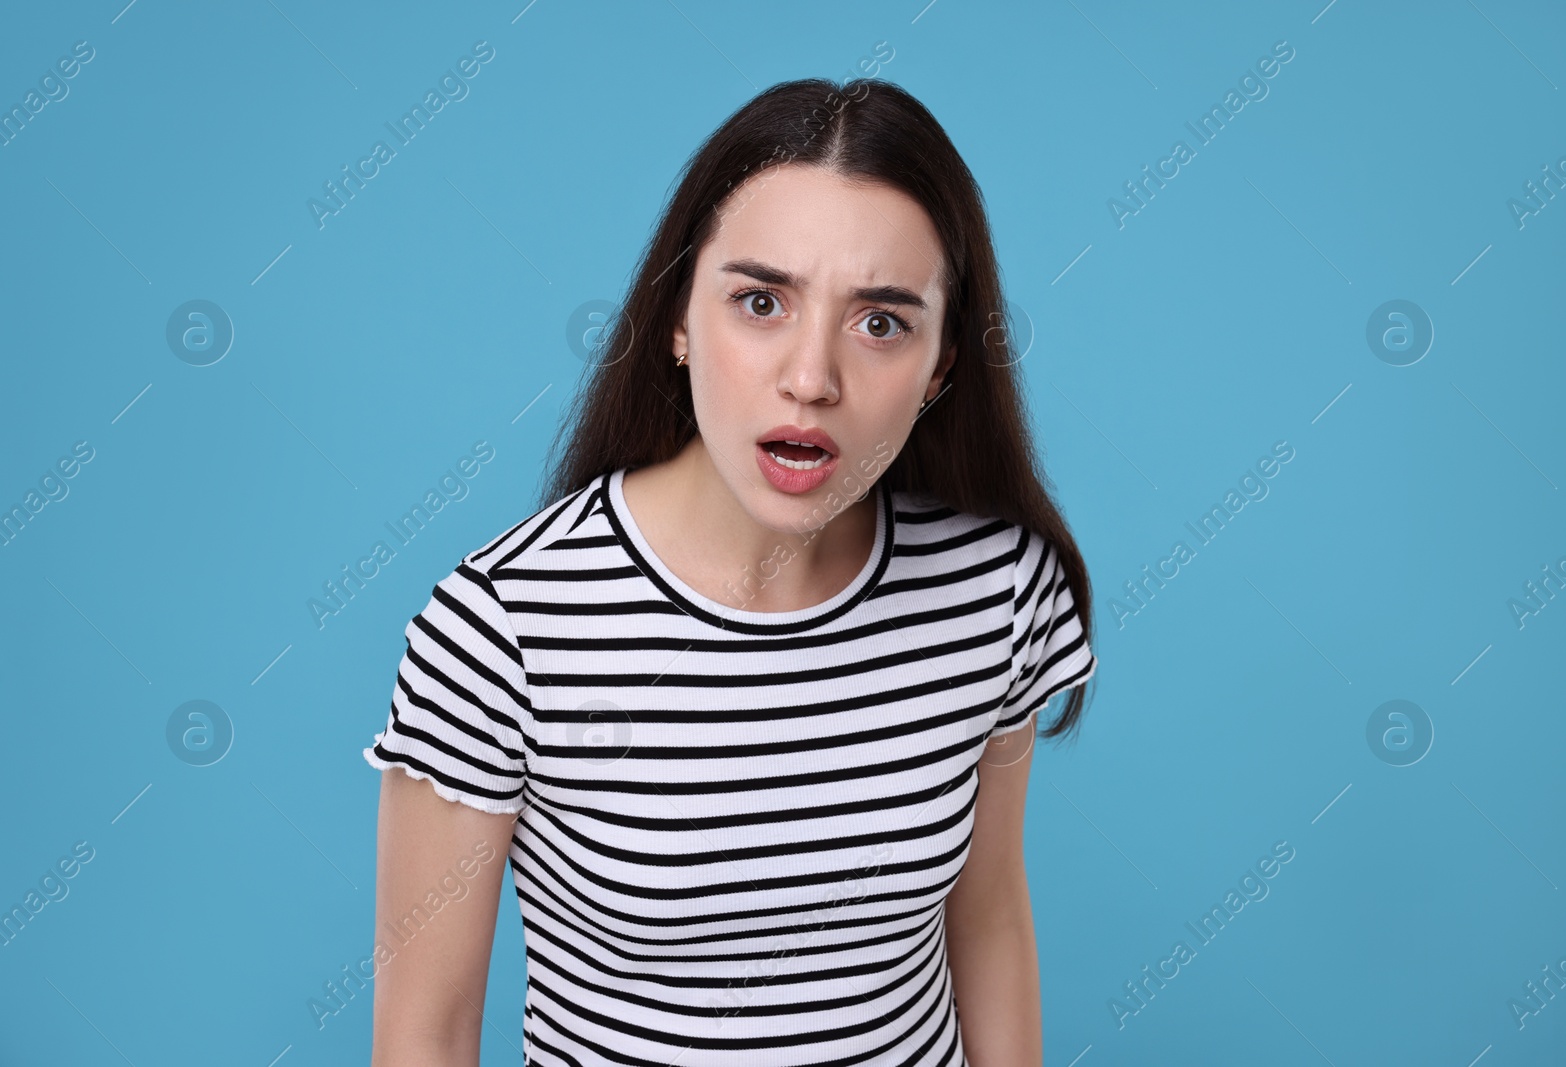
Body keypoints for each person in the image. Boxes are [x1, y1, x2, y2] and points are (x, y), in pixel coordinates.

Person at [364, 76, 1097, 1067]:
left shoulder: (997, 589)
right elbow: (425, 1032)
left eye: (880, 321)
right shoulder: (506, 627)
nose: (810, 377)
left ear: (940, 368)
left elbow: (991, 914)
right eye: (761, 301)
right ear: (675, 318)